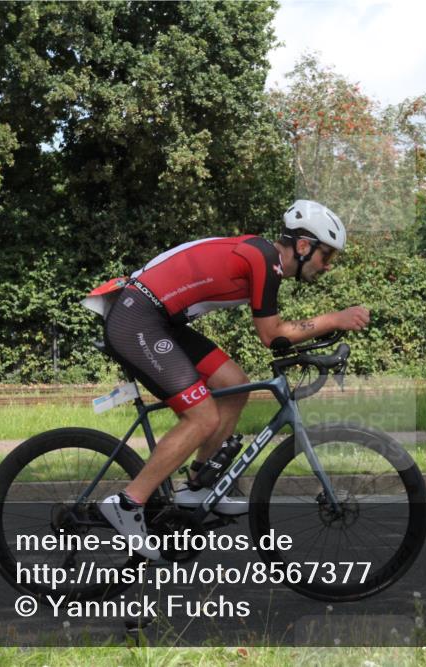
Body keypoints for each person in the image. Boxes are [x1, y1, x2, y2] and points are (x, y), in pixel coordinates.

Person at [84, 200, 370, 560]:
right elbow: (272, 335)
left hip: (158, 319)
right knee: (203, 416)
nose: (327, 266)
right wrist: (334, 320)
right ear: (302, 246)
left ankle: (197, 487)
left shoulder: (265, 260)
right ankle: (128, 503)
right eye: (326, 256)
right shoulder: (264, 260)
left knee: (234, 386)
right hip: (138, 318)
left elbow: (275, 337)